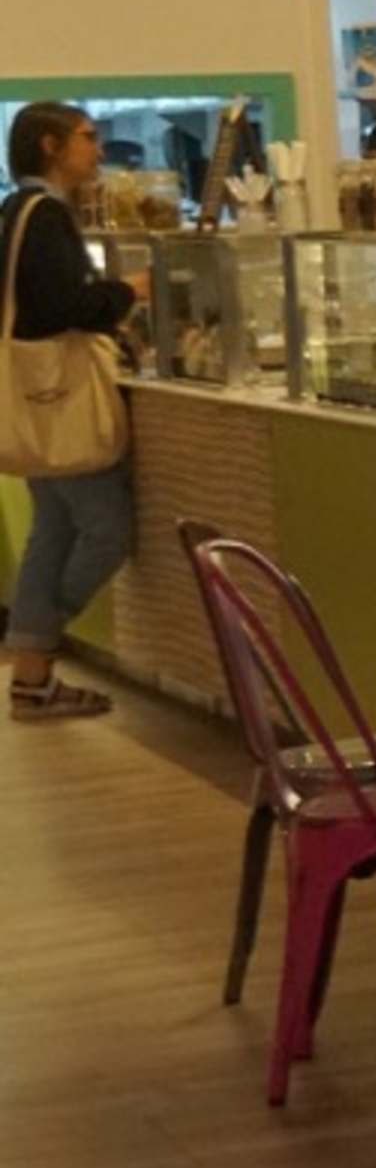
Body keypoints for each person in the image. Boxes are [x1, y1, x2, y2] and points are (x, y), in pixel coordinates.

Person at [5, 101, 144, 721]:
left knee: (51, 532)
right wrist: (126, 293)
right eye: (87, 138)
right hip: (62, 397)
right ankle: (38, 641)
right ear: (50, 145)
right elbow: (68, 305)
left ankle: (33, 678)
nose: (98, 148)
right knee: (107, 529)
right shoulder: (47, 216)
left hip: (36, 401)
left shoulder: (16, 212)